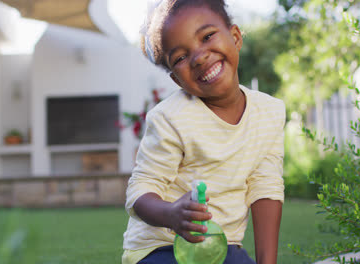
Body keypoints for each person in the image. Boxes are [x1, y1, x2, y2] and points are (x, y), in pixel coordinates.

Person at [122, 0, 285, 263]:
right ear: (176, 79)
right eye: (181, 57)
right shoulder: (170, 118)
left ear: (235, 36)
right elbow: (140, 191)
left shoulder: (270, 112)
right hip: (161, 248)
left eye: (207, 36)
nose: (199, 57)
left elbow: (265, 188)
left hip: (224, 248)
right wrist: (172, 214)